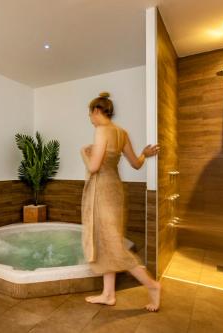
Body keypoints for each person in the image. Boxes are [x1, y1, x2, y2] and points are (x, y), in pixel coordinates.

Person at [80, 92, 161, 311]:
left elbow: (94, 166)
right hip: (115, 190)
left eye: (90, 114)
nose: (90, 118)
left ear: (97, 111)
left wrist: (84, 154)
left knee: (113, 245)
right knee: (108, 242)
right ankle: (108, 294)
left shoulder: (101, 130)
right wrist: (145, 153)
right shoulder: (122, 133)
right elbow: (136, 163)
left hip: (103, 191)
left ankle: (151, 285)